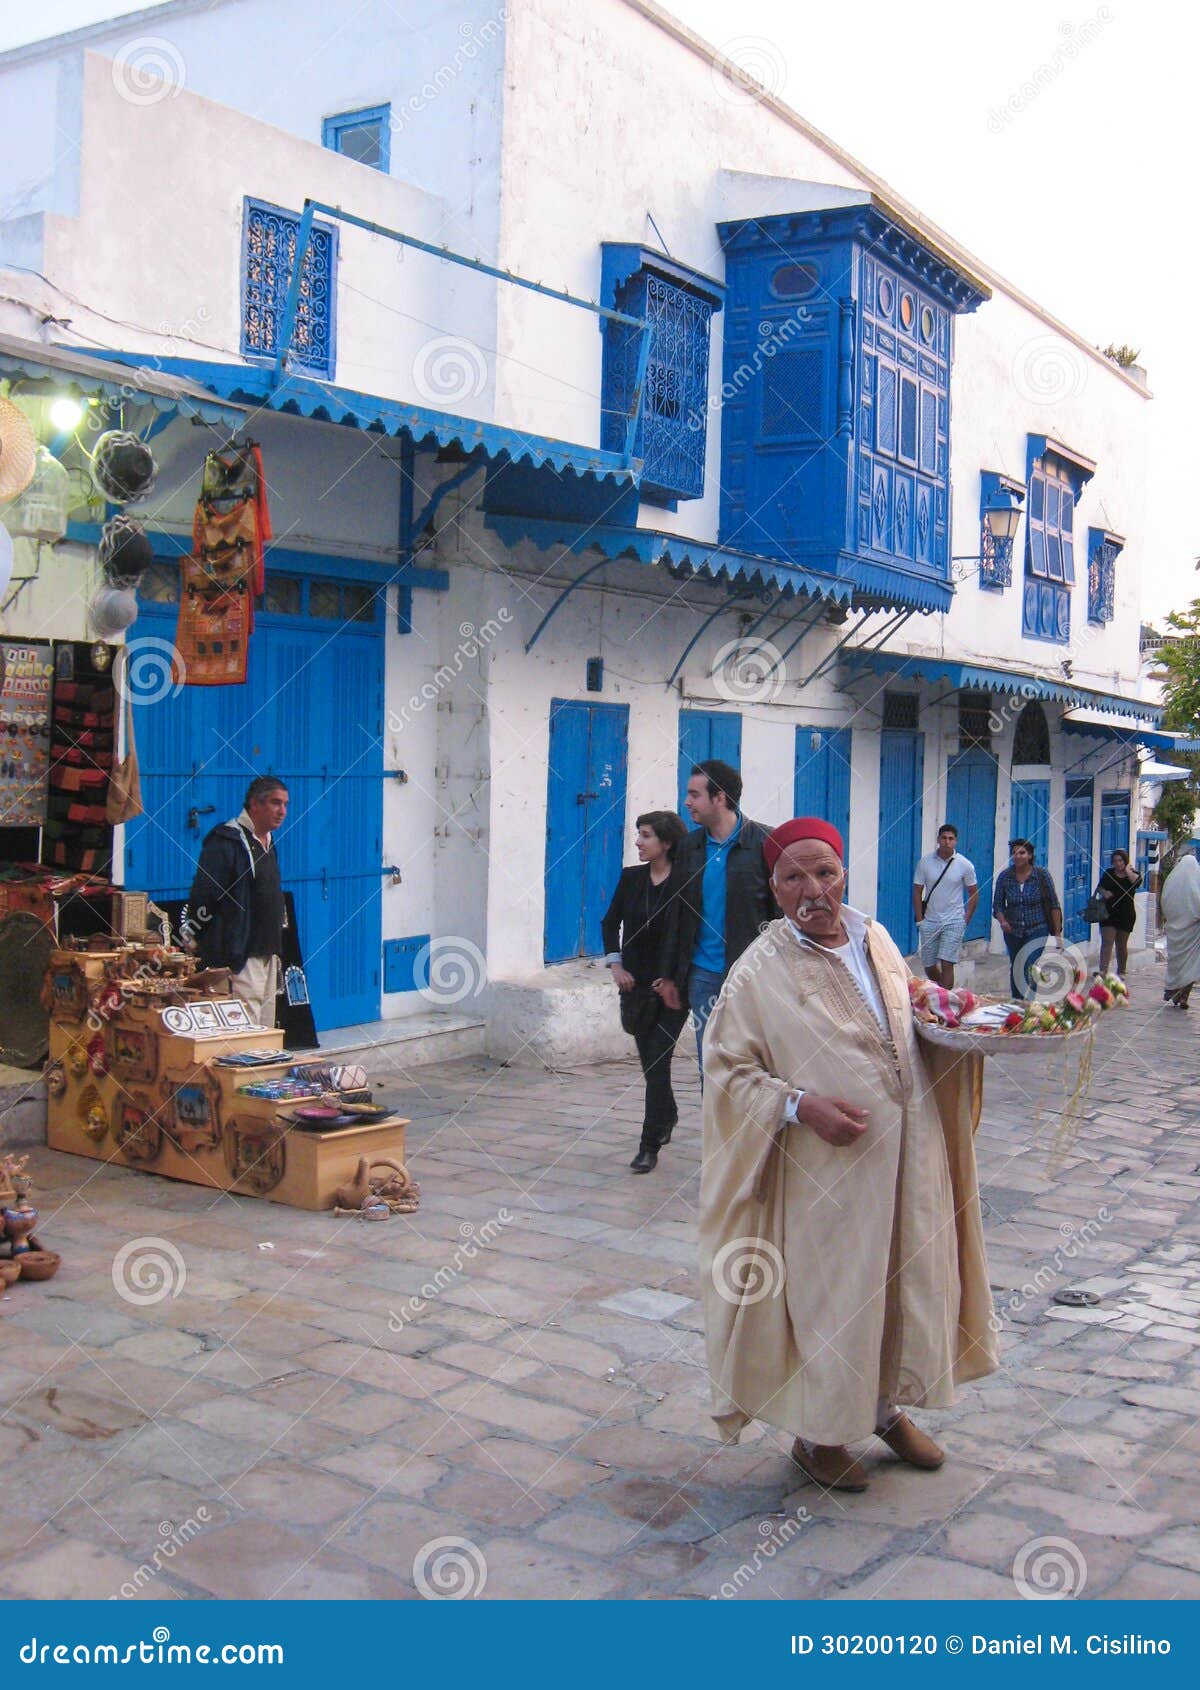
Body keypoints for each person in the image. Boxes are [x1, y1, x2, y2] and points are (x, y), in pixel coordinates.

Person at [699, 817, 996, 1493]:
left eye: (824, 873)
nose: (812, 889)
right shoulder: (757, 975)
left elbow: (903, 1002)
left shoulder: (877, 937)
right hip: (826, 1176)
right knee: (838, 1300)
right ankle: (819, 1434)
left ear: (844, 876)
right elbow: (725, 1069)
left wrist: (940, 1004)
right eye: (794, 877)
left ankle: (885, 1412)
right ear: (773, 887)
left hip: (906, 1160)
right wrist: (802, 1106)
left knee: (902, 1284)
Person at [657, 760, 775, 1074]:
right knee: (711, 1064)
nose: (686, 802)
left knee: (756, 1063)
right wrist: (669, 974)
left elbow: (780, 917)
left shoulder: (765, 843)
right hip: (703, 977)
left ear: (719, 798)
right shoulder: (688, 848)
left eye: (694, 794)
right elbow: (675, 914)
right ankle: (715, 1124)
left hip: (753, 976)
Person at [602, 811, 689, 1174]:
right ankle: (666, 1113)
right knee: (651, 1062)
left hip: (673, 989)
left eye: (646, 835)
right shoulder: (631, 878)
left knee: (657, 1060)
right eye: (638, 834)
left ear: (666, 843)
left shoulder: (687, 881)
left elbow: (690, 934)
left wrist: (673, 976)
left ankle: (648, 1146)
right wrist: (616, 966)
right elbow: (610, 922)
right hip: (635, 985)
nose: (638, 842)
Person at [184, 775, 288, 1027]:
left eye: (285, 804)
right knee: (243, 1030)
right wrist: (198, 937)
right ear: (254, 804)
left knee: (265, 1031)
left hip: (267, 953)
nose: (282, 811)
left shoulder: (268, 842)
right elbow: (205, 895)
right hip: (241, 956)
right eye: (275, 803)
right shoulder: (226, 841)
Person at [992, 838, 1063, 998]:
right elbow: (997, 905)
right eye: (1015, 853)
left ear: (1030, 855)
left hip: (1037, 928)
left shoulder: (1042, 875)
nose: (1018, 856)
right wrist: (1003, 921)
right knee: (1016, 966)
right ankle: (1017, 1003)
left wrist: (1057, 934)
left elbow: (1054, 905)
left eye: (1022, 853)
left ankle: (1030, 1001)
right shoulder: (1005, 877)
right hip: (1013, 930)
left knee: (1029, 965)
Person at [912, 823, 979, 988]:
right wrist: (920, 920)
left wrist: (965, 919)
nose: (947, 842)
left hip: (954, 920)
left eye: (951, 839)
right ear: (938, 840)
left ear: (956, 841)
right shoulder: (925, 863)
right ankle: (942, 992)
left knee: (947, 962)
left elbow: (974, 893)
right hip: (930, 920)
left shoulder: (965, 865)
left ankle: (946, 1002)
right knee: (929, 965)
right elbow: (917, 891)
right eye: (944, 838)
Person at [1159, 848, 1200, 1009]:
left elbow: (1164, 903)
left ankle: (1174, 991)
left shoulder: (1171, 883)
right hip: (1192, 932)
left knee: (1175, 962)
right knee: (1192, 964)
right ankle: (1183, 996)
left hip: (1174, 931)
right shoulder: (1195, 884)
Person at [1095, 848, 1142, 977]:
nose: (1118, 863)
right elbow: (1100, 888)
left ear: (1125, 861)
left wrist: (1128, 871)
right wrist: (1105, 893)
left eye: (1120, 860)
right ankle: (1103, 970)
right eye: (1115, 861)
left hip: (1126, 915)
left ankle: (1121, 970)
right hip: (1108, 914)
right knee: (1107, 943)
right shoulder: (1108, 874)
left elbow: (1137, 883)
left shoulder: (1133, 874)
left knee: (1121, 945)